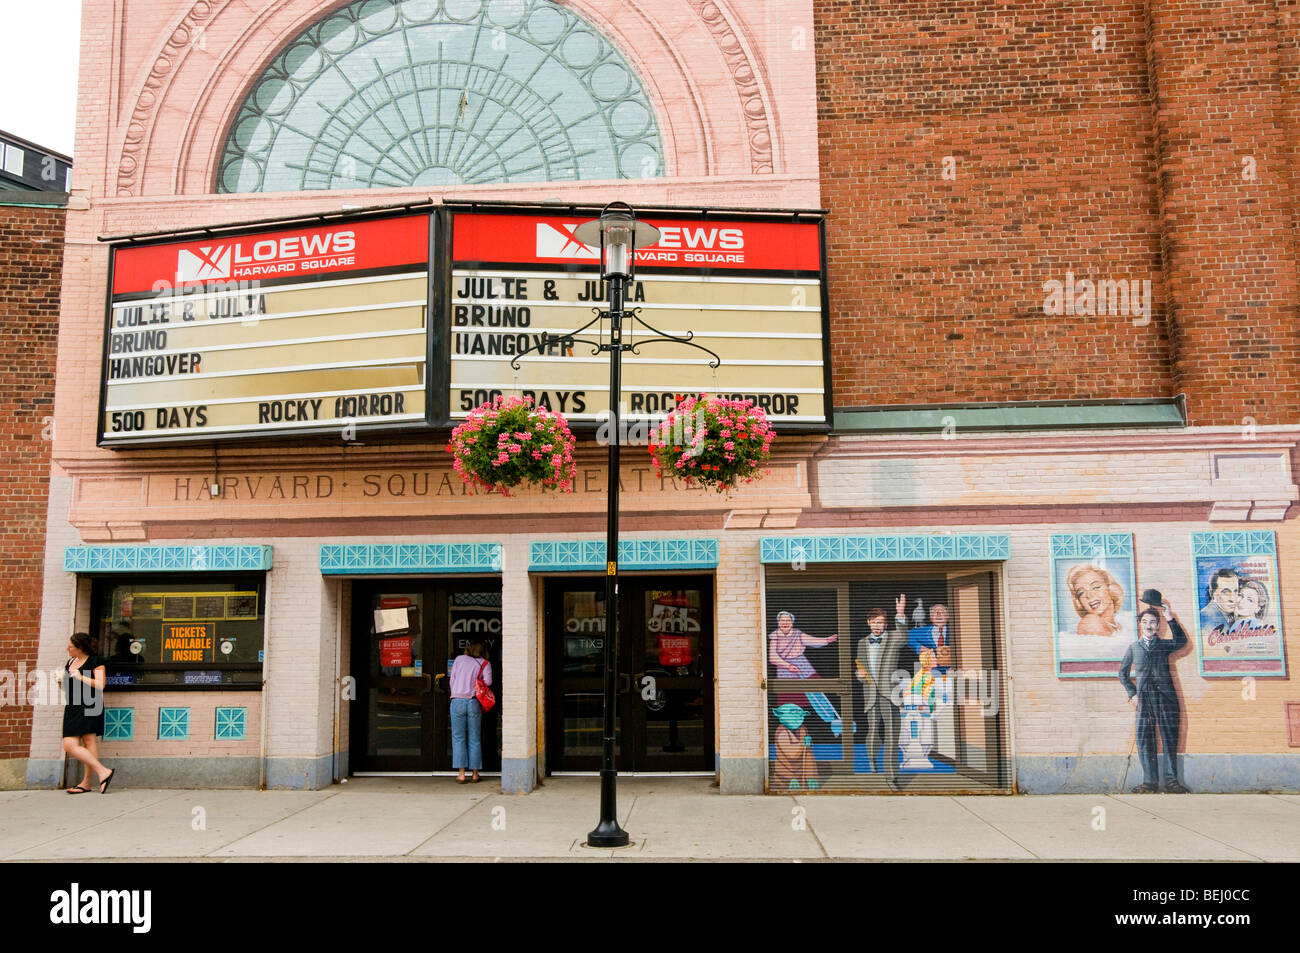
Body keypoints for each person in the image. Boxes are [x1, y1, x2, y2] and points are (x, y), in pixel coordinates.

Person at [1118, 597, 1189, 793]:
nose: (1149, 626)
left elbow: (1181, 641)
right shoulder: (1134, 648)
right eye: (1145, 622)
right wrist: (1132, 694)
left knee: (1169, 739)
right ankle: (1149, 782)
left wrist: (1169, 617)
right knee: (1144, 739)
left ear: (1158, 625)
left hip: (1166, 699)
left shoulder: (1164, 645)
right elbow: (1122, 673)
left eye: (1152, 622)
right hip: (1144, 701)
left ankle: (1172, 782)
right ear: (1140, 625)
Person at [854, 594, 909, 789]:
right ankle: (871, 758)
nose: (877, 625)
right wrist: (860, 674)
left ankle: (891, 777)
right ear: (868, 623)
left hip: (889, 694)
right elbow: (859, 669)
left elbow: (904, 636)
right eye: (874, 622)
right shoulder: (862, 643)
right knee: (873, 731)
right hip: (870, 694)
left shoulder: (894, 638)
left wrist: (900, 615)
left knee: (892, 735)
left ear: (886, 624)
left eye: (881, 622)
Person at [768, 610, 843, 735]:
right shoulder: (774, 637)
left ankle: (831, 721)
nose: (785, 623)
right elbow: (773, 657)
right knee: (791, 702)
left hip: (804, 668)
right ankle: (792, 730)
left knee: (818, 697)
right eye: (782, 620)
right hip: (785, 673)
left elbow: (813, 641)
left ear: (792, 622)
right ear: (778, 622)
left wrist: (827, 640)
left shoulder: (798, 634)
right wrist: (788, 666)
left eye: (788, 620)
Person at [61, 632, 115, 795]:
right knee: (70, 744)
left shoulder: (95, 661)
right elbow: (70, 686)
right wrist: (61, 683)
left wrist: (81, 677)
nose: (67, 648)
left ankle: (88, 781)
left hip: (90, 703)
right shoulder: (70, 662)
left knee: (88, 741)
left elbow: (100, 684)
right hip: (73, 705)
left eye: (70, 646)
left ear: (80, 648)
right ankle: (100, 774)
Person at [448, 639, 492, 783]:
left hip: (457, 700)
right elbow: (488, 682)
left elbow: (452, 679)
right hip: (473, 701)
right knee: (474, 738)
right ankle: (474, 773)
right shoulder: (485, 663)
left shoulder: (459, 659)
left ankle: (461, 774)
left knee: (458, 737)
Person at [1066, 564, 1126, 636]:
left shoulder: (1121, 625)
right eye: (1081, 593)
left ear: (1109, 588)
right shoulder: (1090, 622)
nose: (1089, 595)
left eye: (1096, 587)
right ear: (1079, 601)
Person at [909, 602, 954, 671]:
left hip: (952, 672)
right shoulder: (924, 631)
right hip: (931, 674)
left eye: (942, 612)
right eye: (935, 612)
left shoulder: (955, 631)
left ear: (948, 616)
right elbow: (906, 636)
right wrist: (920, 647)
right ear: (930, 617)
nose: (938, 615)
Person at [1200, 567, 1240, 631]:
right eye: (1226, 592)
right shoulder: (1203, 619)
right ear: (1212, 594)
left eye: (1235, 591)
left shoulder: (1236, 616)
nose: (1233, 598)